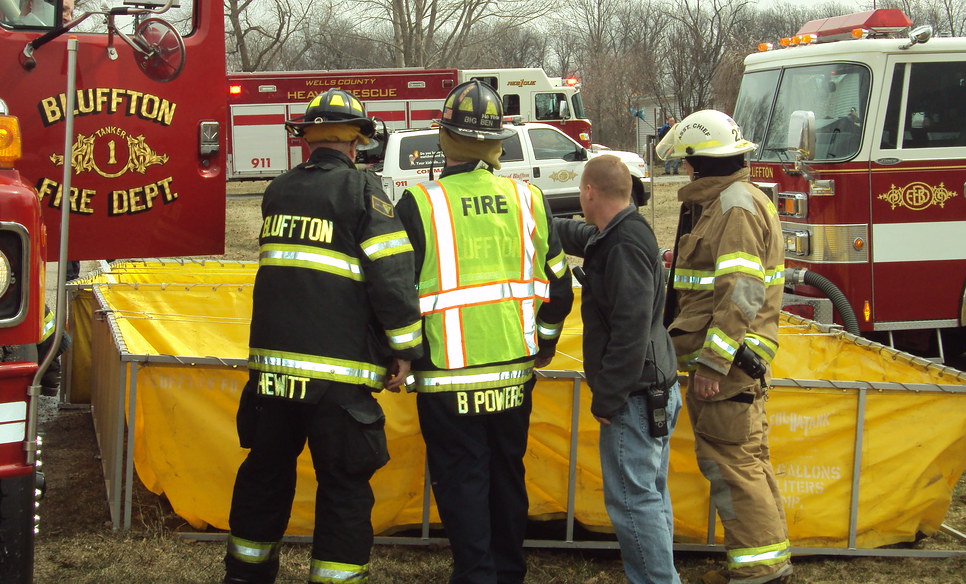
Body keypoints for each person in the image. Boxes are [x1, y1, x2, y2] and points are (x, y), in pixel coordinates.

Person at [223, 88, 423, 584]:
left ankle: (245, 574)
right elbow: (393, 280)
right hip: (336, 379)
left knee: (264, 475)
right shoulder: (364, 192)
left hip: (273, 377)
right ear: (356, 142)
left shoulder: (278, 191)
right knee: (344, 485)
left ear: (307, 139)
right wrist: (405, 348)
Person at [395, 80, 573, 584]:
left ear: (444, 138)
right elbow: (560, 290)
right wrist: (543, 344)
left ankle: (475, 574)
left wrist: (403, 354)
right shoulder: (528, 199)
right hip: (514, 375)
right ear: (500, 142)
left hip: (448, 380)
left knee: (461, 482)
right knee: (506, 475)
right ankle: (508, 572)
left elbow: (396, 294)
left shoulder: (419, 203)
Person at [656, 110, 791, 584]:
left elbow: (741, 293)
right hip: (734, 363)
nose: (682, 173)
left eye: (685, 164)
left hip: (728, 367)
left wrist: (713, 364)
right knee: (747, 460)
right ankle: (768, 561)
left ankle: (760, 572)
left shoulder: (733, 209)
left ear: (699, 162)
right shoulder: (732, 202)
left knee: (732, 465)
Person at [554, 154, 681, 584]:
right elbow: (580, 233)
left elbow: (629, 330)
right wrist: (533, 216)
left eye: (579, 192)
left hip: (634, 397)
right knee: (650, 496)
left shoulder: (624, 245)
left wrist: (608, 396)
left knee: (633, 502)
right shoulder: (623, 230)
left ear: (589, 191)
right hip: (652, 388)